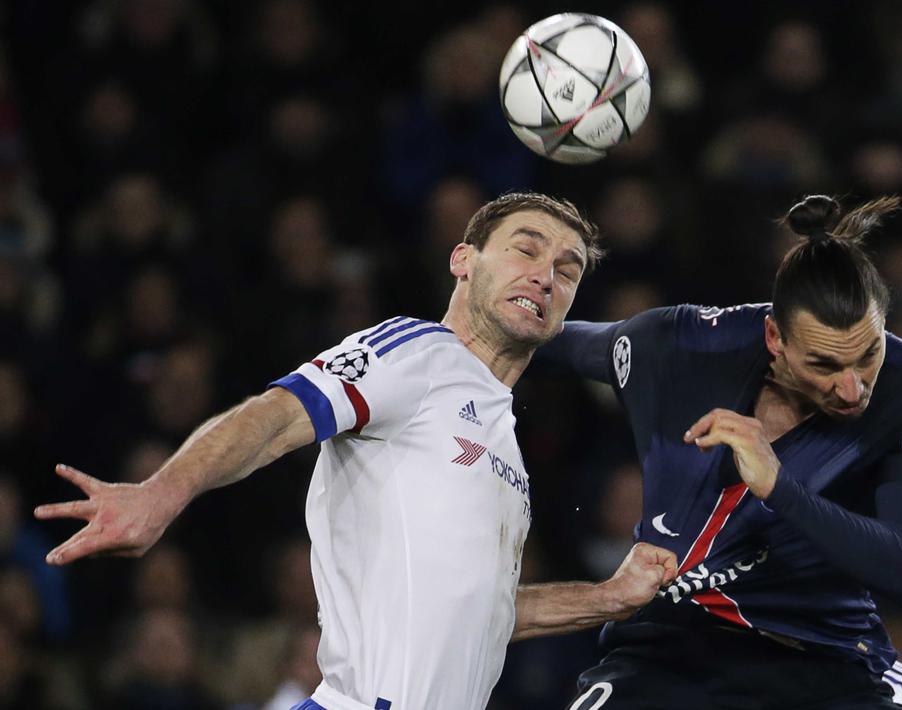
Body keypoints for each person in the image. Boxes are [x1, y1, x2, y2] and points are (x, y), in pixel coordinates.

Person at [34, 192, 680, 710]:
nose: (545, 275)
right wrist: (163, 492)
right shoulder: (417, 352)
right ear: (463, 260)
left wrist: (609, 597)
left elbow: (483, 614)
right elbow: (276, 415)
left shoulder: (503, 441)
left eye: (566, 270)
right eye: (525, 250)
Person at [535, 194, 902, 709]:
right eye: (824, 364)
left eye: (868, 355)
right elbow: (543, 345)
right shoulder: (684, 348)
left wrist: (780, 488)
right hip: (669, 650)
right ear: (775, 337)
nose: (852, 388)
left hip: (823, 662)